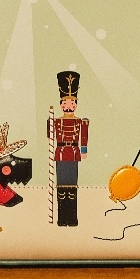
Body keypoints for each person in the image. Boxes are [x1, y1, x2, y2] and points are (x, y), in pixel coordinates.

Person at [47, 71, 88, 226]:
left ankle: (72, 218)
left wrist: (83, 151)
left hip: (74, 154)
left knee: (72, 187)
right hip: (60, 154)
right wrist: (49, 124)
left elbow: (83, 137)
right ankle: (62, 218)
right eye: (65, 103)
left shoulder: (80, 122)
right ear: (61, 105)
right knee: (61, 186)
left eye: (72, 103)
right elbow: (50, 137)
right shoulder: (56, 121)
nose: (69, 107)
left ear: (76, 105)